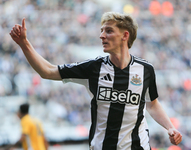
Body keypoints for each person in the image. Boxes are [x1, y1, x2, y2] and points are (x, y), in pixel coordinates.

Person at [10, 12, 182, 150]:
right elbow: (47, 71)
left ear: (125, 35)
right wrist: (24, 44)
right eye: (101, 30)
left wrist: (170, 127)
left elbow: (152, 104)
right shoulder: (93, 68)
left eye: (108, 30)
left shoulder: (145, 70)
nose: (101, 36)